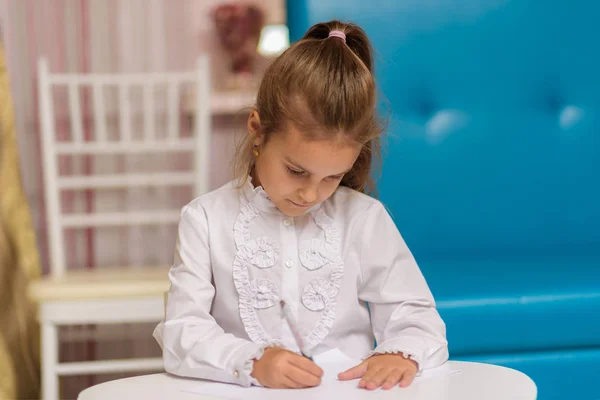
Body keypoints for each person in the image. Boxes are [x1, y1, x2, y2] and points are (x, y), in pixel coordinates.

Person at [153, 20, 448, 391]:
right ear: (257, 129)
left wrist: (399, 353)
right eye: (296, 171)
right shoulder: (206, 219)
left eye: (332, 178)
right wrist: (251, 362)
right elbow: (183, 331)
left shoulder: (364, 219)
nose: (310, 194)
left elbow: (416, 316)